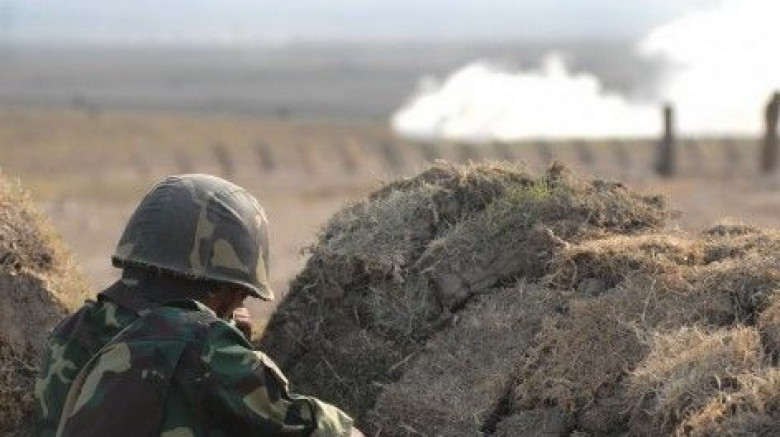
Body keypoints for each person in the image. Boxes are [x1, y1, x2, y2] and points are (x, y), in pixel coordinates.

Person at [34, 174, 363, 436]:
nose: (239, 303)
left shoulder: (71, 334)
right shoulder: (205, 347)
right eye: (241, 294)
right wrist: (229, 347)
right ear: (222, 287)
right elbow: (317, 428)